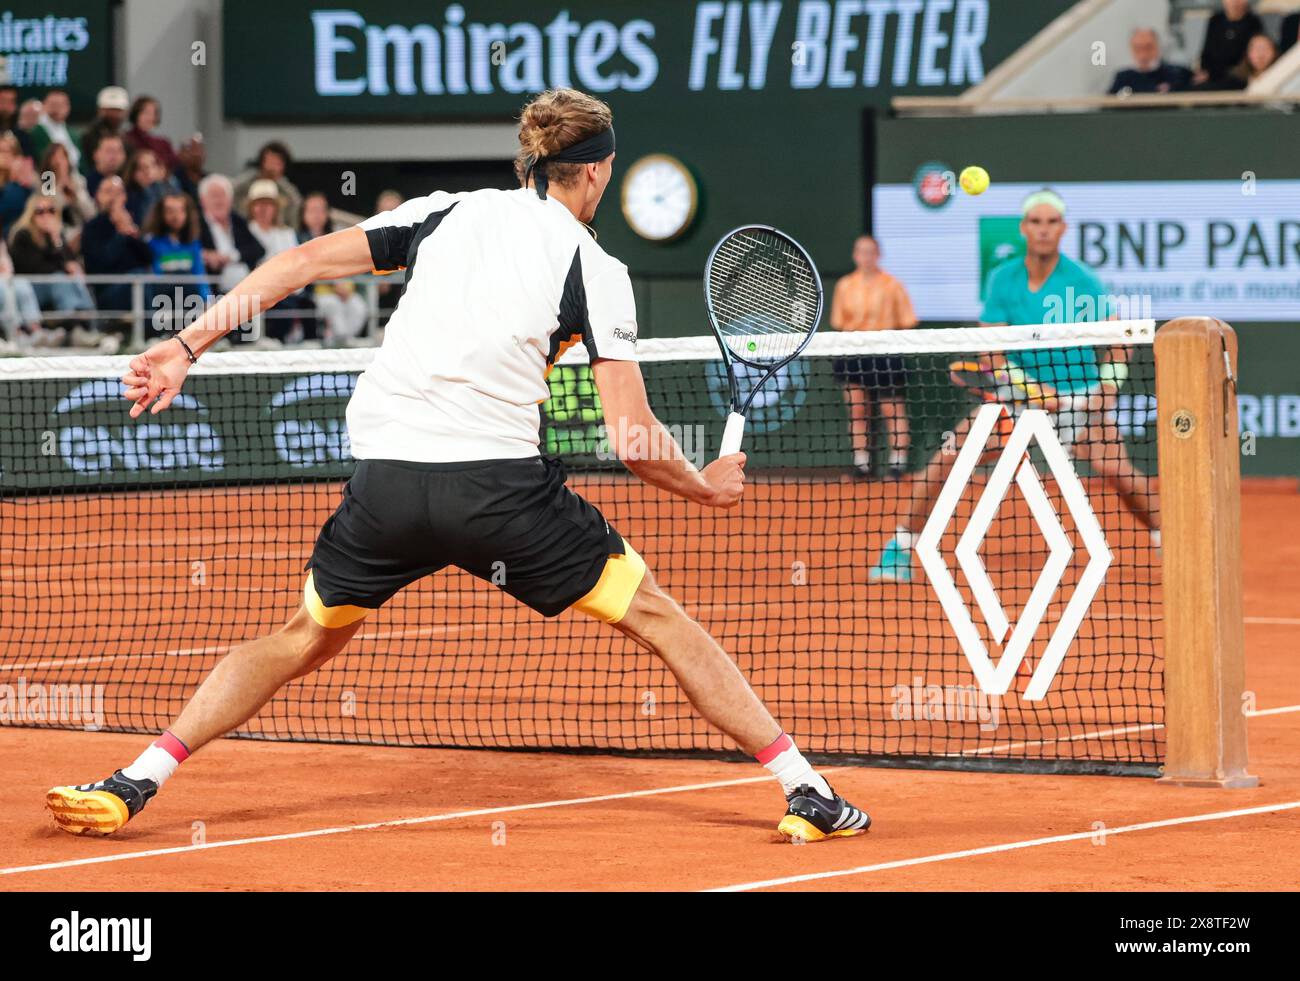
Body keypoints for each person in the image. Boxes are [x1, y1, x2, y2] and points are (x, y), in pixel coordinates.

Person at [46, 87, 871, 845]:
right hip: (498, 494)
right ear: (595, 171)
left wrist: (187, 344)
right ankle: (806, 790)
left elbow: (294, 264)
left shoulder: (445, 213)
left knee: (300, 636)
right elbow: (632, 438)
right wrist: (702, 485)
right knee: (659, 618)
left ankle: (135, 778)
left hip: (385, 485)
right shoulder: (598, 268)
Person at [868, 189, 1160, 583]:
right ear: (1024, 228)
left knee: (1119, 473)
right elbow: (993, 354)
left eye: (1051, 222)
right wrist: (1038, 395)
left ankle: (1169, 538)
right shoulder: (1003, 279)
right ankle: (900, 548)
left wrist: (1106, 387)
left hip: (1080, 398)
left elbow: (1119, 344)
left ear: (1063, 228)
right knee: (949, 456)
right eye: (1036, 222)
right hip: (1016, 401)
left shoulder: (1083, 282)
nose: (1043, 230)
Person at [829, 236, 918, 479]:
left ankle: (898, 464)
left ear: (878, 254)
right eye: (861, 252)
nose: (866, 257)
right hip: (853, 354)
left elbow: (907, 321)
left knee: (892, 411)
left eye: (871, 252)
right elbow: (839, 322)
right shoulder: (844, 286)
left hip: (885, 355)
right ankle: (861, 465)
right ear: (855, 255)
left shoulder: (893, 285)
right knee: (858, 410)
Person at [8, 192, 97, 343]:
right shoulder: (22, 235)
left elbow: (70, 263)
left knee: (76, 278)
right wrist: (62, 264)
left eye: (51, 210)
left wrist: (56, 240)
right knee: (60, 279)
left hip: (56, 285)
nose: (46, 215)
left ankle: (89, 326)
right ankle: (74, 329)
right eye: (40, 211)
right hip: (29, 289)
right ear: (31, 214)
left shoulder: (56, 237)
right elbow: (34, 267)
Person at [246, 177, 312, 342]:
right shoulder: (246, 231)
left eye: (268, 204)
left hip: (287, 289)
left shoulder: (287, 233)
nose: (263, 209)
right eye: (259, 204)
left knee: (309, 305)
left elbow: (296, 264)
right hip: (258, 291)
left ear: (275, 208)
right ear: (252, 208)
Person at [81, 175, 153, 316]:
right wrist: (120, 235)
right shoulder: (92, 228)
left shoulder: (131, 222)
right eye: (108, 192)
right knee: (139, 277)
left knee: (179, 278)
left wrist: (133, 234)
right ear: (97, 196)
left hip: (139, 283)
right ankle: (152, 332)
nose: (114, 197)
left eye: (118, 192)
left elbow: (148, 258)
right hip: (108, 290)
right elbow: (99, 264)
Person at [144, 191, 210, 335]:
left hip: (189, 300)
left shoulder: (193, 244)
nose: (175, 216)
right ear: (161, 214)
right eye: (170, 211)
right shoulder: (151, 243)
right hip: (163, 298)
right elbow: (154, 275)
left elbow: (199, 274)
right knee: (182, 278)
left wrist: (207, 300)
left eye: (180, 211)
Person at [198, 173, 264, 294]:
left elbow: (258, 249)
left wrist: (232, 257)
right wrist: (205, 256)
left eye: (222, 195)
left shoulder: (238, 221)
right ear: (203, 200)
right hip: (213, 291)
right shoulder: (196, 224)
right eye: (214, 196)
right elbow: (187, 249)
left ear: (230, 199)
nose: (219, 200)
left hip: (247, 289)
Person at [233, 141, 302, 228]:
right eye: (270, 161)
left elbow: (294, 221)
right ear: (262, 162)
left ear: (283, 166)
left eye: (277, 163)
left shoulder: (289, 194)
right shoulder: (241, 186)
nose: (272, 168)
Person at [1195, 0, 1265, 87]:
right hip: (1210, 75)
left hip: (1237, 77)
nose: (1234, 2)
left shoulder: (1253, 23)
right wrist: (1204, 70)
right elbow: (1206, 52)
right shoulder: (1215, 20)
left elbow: (1249, 59)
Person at [1108, 28, 1193, 94]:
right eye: (1138, 48)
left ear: (1158, 47)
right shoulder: (1123, 78)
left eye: (1148, 48)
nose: (1143, 54)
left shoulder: (1178, 73)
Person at [39, 142, 96, 231]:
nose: (59, 162)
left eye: (62, 157)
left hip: (81, 226)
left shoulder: (78, 180)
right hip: (60, 229)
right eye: (55, 158)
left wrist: (76, 196)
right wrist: (60, 186)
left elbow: (91, 213)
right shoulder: (47, 182)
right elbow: (51, 210)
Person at [79, 86, 129, 177]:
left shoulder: (126, 138)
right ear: (101, 110)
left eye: (118, 110)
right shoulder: (89, 138)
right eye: (111, 110)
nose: (115, 115)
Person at [122, 147, 179, 226]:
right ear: (133, 173)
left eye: (152, 165)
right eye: (141, 168)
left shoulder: (170, 187)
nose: (147, 171)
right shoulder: (128, 197)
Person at [124, 95, 178, 175]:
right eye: (146, 113)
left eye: (153, 114)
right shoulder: (126, 140)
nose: (149, 118)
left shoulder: (163, 143)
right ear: (136, 114)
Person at [29, 88, 82, 169]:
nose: (57, 109)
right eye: (53, 104)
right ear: (45, 105)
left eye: (61, 105)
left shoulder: (73, 133)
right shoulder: (36, 132)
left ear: (68, 107)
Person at [0, 131, 35, 237]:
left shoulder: (23, 184)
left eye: (10, 151)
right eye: (1, 151)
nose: (4, 155)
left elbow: (40, 201)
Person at [85, 132, 127, 198]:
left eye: (119, 151)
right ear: (96, 155)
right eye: (109, 151)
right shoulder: (85, 185)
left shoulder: (130, 182)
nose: (115, 156)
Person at [174, 133, 207, 201]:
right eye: (192, 149)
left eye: (200, 149)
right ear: (179, 153)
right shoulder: (173, 180)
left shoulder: (209, 180)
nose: (196, 154)